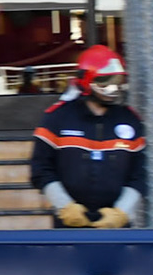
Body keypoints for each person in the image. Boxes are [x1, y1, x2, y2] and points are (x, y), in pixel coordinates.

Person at [31, 45, 145, 228]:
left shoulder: (130, 120)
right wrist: (65, 207)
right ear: (86, 81)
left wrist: (122, 212)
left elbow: (140, 174)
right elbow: (40, 169)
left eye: (117, 81)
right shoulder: (57, 118)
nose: (113, 88)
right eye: (105, 82)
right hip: (69, 224)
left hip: (117, 227)